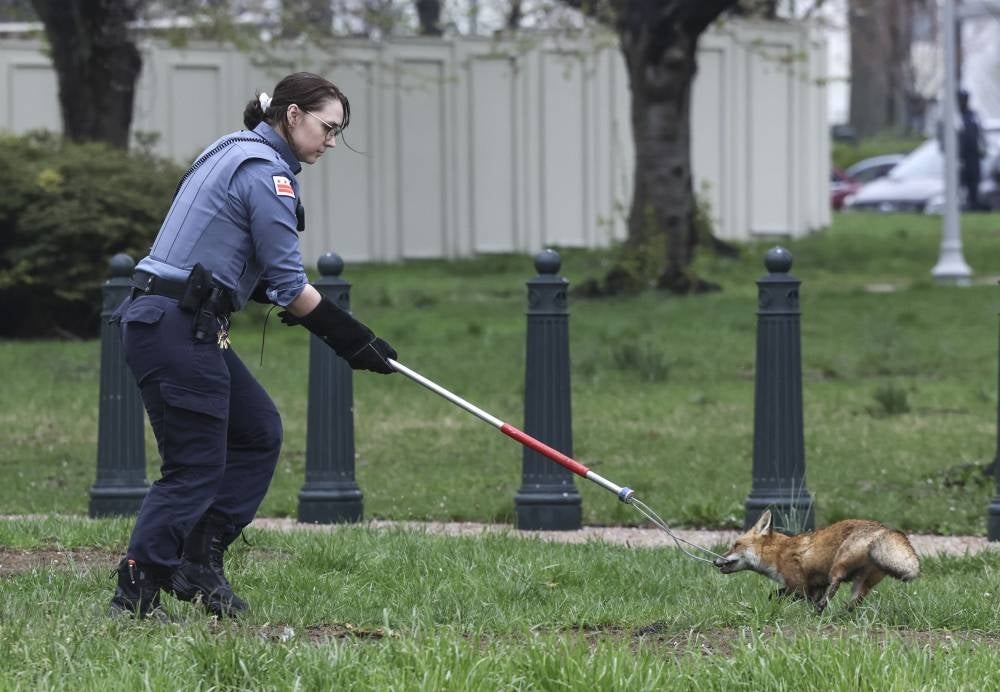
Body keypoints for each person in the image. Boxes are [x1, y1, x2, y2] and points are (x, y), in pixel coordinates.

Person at [108, 72, 397, 619]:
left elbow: (219, 245)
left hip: (173, 318)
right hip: (175, 323)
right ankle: (135, 593)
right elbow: (290, 286)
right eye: (327, 127)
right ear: (292, 115)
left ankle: (199, 556)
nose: (331, 141)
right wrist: (356, 342)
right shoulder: (268, 174)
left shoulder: (229, 148)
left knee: (257, 431)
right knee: (193, 468)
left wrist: (253, 286)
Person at [957, 89, 985, 211]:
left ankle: (973, 207)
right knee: (960, 186)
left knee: (973, 186)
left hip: (973, 158)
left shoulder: (973, 115)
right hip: (959, 158)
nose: (964, 102)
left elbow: (980, 135)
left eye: (965, 99)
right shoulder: (955, 116)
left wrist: (982, 149)